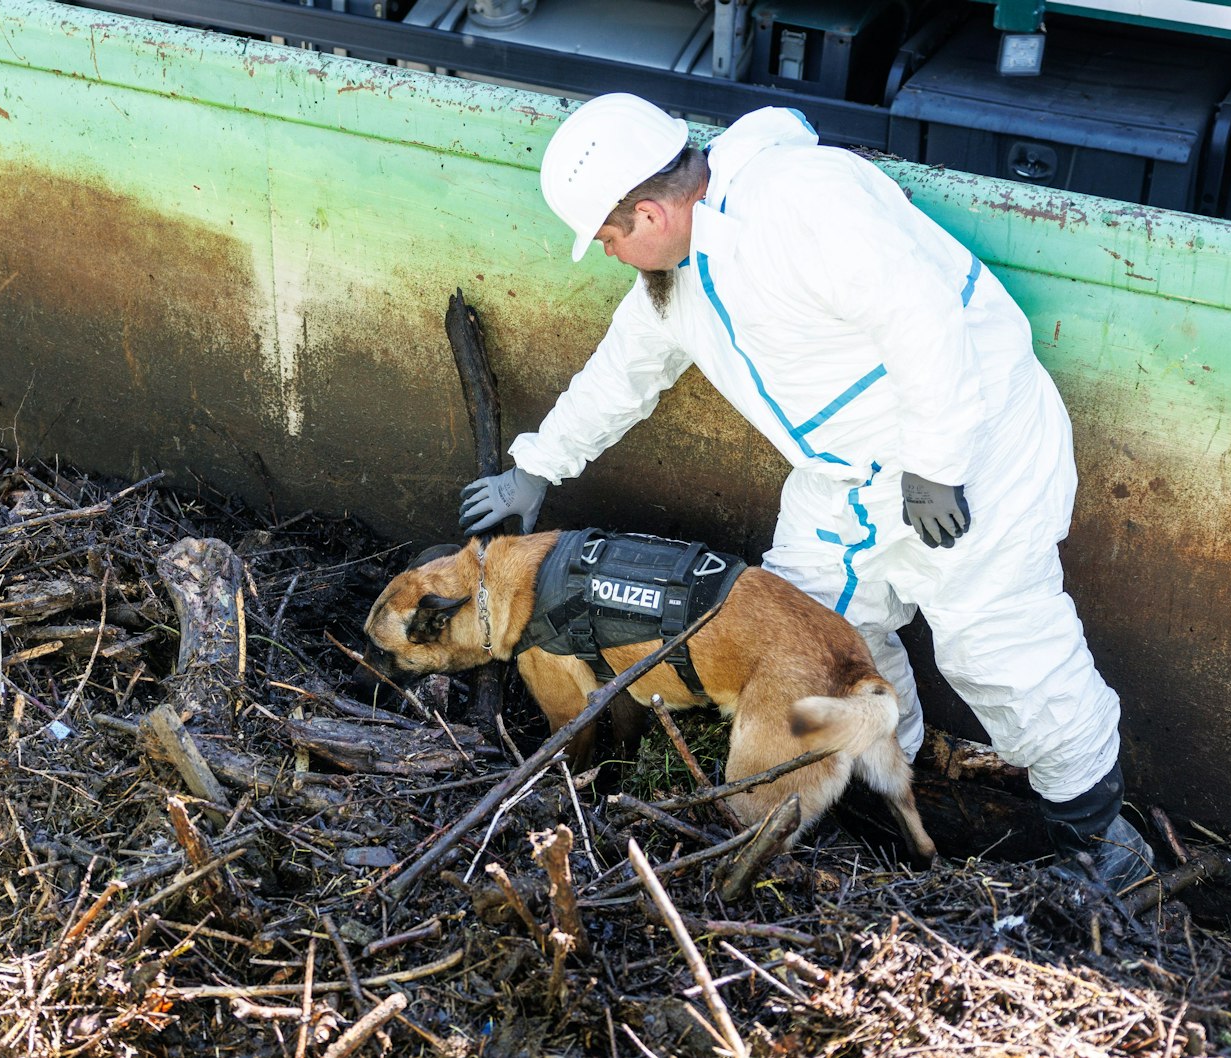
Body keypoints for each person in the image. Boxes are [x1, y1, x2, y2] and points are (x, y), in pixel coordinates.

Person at [459, 93, 1152, 890]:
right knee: (804, 629)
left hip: (972, 450)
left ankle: (1098, 840)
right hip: (848, 474)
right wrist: (538, 466)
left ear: (649, 214)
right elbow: (624, 371)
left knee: (999, 647)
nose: (614, 252)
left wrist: (936, 460)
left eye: (611, 238)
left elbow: (921, 317)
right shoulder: (679, 278)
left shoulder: (799, 201)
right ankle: (883, 783)